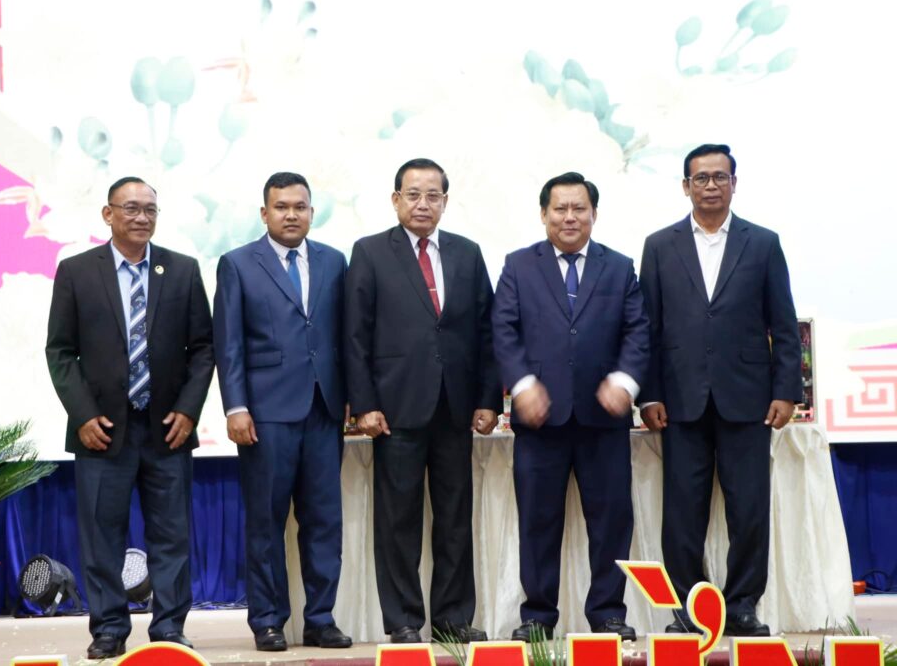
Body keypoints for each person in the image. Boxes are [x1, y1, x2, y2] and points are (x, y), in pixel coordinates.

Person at [45, 176, 214, 660]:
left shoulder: (181, 270)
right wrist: (83, 415)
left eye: (150, 210)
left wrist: (188, 410)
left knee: (172, 536)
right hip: (101, 431)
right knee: (102, 537)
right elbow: (60, 351)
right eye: (131, 208)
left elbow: (204, 349)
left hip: (168, 430)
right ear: (108, 214)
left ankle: (170, 628)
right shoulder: (77, 271)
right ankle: (108, 628)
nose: (142, 218)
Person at [639, 144, 801, 637]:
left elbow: (783, 323)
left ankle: (743, 605)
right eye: (701, 178)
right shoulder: (659, 245)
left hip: (748, 398)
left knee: (748, 508)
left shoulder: (763, 243)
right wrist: (649, 395)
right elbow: (648, 327)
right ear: (685, 186)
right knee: (682, 513)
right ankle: (688, 609)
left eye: (719, 177)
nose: (710, 185)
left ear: (734, 183)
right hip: (680, 400)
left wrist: (786, 389)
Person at [344, 158, 502, 644]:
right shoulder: (370, 252)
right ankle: (404, 620)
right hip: (395, 410)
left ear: (445, 202)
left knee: (454, 520)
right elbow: (355, 335)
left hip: (455, 408)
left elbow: (486, 331)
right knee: (398, 521)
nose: (422, 204)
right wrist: (364, 404)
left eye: (433, 195)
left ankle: (453, 618)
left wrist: (488, 399)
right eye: (413, 194)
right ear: (396, 200)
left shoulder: (467, 253)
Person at [492, 172, 649, 642]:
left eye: (579, 208)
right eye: (559, 208)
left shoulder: (619, 267)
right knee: (538, 522)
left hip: (604, 419)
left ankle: (608, 613)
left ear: (594, 214)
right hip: (540, 421)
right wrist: (522, 385)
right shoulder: (519, 265)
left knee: (611, 521)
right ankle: (538, 616)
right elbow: (503, 329)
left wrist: (624, 382)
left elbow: (637, 331)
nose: (569, 217)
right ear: (544, 214)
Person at [212, 172, 351, 652]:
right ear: (264, 213)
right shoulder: (237, 264)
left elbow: (345, 336)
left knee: (324, 521)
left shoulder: (334, 261)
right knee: (266, 523)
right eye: (281, 207)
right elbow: (228, 343)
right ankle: (268, 620)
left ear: (311, 211)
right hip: (266, 414)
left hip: (324, 409)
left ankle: (321, 619)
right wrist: (236, 406)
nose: (291, 215)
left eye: (300, 206)